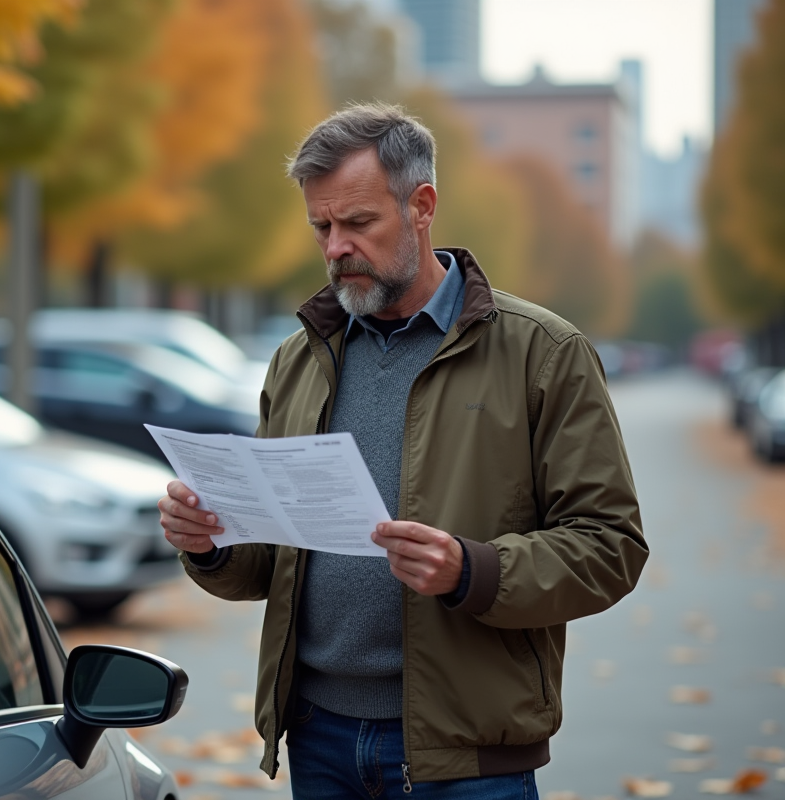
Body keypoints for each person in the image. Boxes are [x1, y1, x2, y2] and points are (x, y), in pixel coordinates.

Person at [157, 104, 647, 799]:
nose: (334, 248)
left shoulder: (544, 353)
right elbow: (270, 563)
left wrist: (470, 569)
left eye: (358, 223)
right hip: (318, 737)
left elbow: (610, 547)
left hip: (465, 753)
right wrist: (209, 542)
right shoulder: (299, 360)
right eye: (321, 227)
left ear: (422, 207)